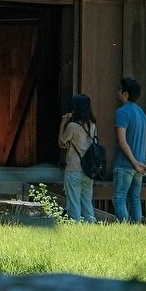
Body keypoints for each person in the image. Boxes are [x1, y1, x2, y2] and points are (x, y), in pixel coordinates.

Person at [113, 77, 146, 223]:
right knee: (135, 198)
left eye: (119, 89)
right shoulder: (141, 113)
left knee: (119, 197)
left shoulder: (122, 112)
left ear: (125, 94)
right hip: (141, 164)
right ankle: (136, 229)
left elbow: (122, 141)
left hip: (125, 164)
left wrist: (133, 162)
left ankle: (123, 230)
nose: (117, 92)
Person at [58, 94, 98, 223]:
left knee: (73, 202)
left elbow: (61, 142)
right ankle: (90, 226)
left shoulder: (73, 126)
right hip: (88, 169)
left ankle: (74, 227)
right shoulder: (92, 125)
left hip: (74, 169)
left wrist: (63, 123)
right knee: (87, 202)